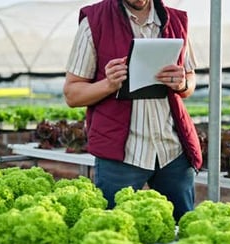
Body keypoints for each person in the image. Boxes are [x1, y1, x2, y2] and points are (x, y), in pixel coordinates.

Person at [63, 0, 202, 222]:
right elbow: (72, 93)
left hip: (172, 152)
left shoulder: (176, 21)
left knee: (184, 231)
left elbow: (190, 79)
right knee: (113, 232)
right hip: (121, 155)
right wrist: (108, 84)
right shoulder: (95, 21)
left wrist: (182, 83)